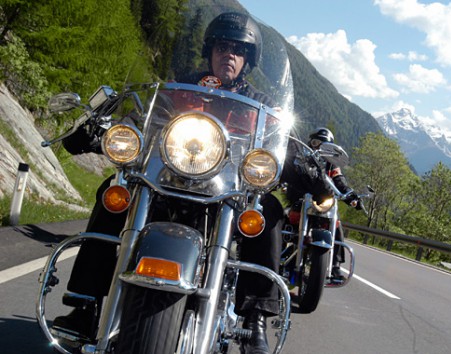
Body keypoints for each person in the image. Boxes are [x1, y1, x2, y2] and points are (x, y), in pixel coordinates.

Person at [54, 12, 306, 354]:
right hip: (166, 182)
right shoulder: (178, 89)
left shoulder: (261, 106)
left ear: (247, 60)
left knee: (269, 211)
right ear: (210, 50)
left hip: (225, 193)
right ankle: (84, 303)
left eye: (237, 49)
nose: (228, 54)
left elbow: (278, 139)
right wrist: (120, 128)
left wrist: (298, 159)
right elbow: (148, 116)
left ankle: (255, 319)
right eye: (221, 46)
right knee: (115, 191)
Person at [307, 127, 363, 282]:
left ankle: (335, 265)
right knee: (284, 216)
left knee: (335, 222)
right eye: (316, 142)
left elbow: (339, 181)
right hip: (301, 199)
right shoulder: (301, 158)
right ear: (310, 143)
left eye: (324, 145)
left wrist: (352, 196)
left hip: (323, 201)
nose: (319, 148)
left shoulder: (332, 165)